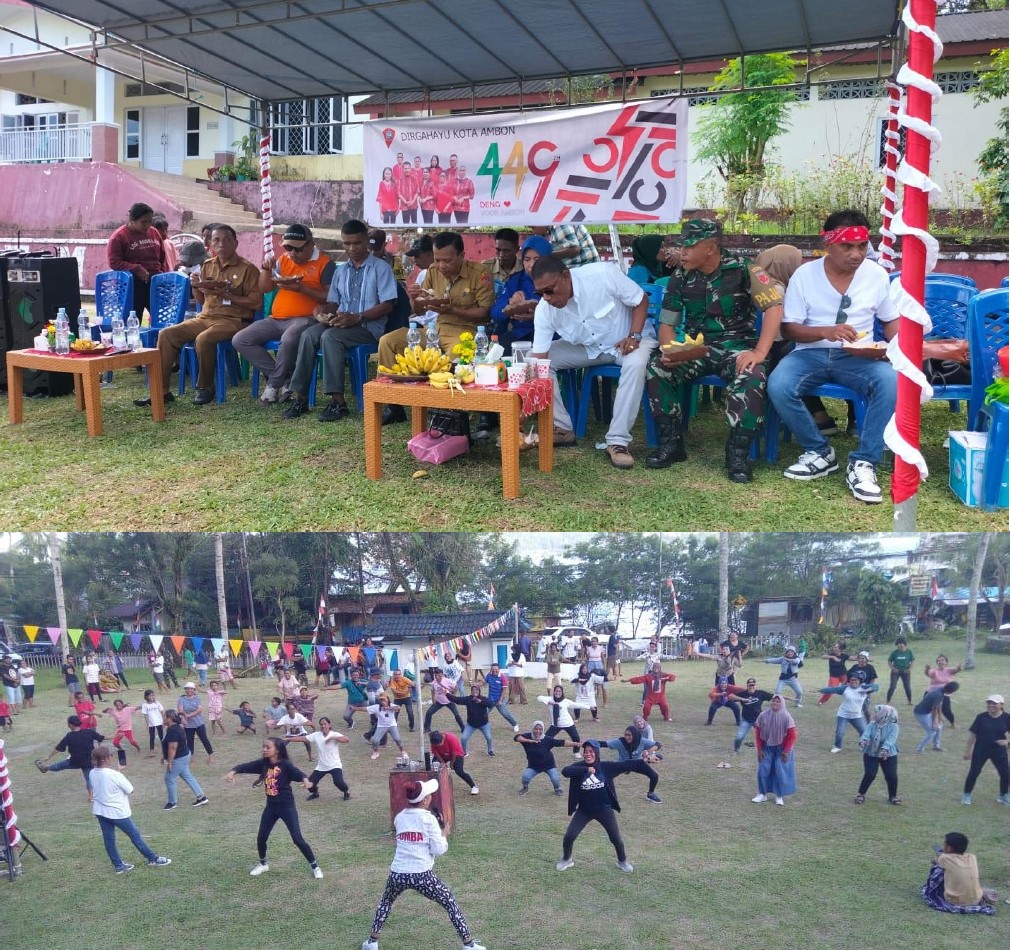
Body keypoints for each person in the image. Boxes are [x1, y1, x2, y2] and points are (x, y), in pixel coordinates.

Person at [768, 208, 899, 504]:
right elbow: (789, 330)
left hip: (859, 356)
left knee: (891, 382)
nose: (856, 254)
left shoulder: (876, 275)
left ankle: (864, 462)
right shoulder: (805, 275)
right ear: (828, 244)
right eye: (847, 246)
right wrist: (827, 331)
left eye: (862, 246)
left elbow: (890, 319)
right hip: (810, 353)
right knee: (779, 384)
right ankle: (818, 451)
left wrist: (899, 344)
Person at [644, 218, 784, 482]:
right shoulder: (680, 275)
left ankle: (737, 454)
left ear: (710, 247)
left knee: (752, 374)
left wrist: (760, 353)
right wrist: (668, 351)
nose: (681, 252)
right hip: (697, 348)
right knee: (656, 367)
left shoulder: (745, 269)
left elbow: (774, 308)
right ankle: (671, 444)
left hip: (737, 347)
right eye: (681, 246)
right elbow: (667, 322)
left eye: (689, 246)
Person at [529, 255, 657, 468]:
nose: (546, 298)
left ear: (566, 276)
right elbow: (540, 359)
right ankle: (562, 428)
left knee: (636, 364)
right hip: (588, 349)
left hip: (627, 341)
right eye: (540, 293)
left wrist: (634, 336)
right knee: (539, 364)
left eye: (550, 290)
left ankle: (617, 442)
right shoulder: (545, 310)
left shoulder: (602, 274)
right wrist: (526, 403)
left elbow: (640, 299)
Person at [282, 219, 398, 421]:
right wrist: (321, 311)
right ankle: (299, 398)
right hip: (342, 322)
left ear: (366, 241)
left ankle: (338, 403)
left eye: (357, 243)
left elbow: (388, 305)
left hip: (369, 327)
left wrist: (358, 317)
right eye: (347, 243)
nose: (351, 248)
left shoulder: (381, 268)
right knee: (309, 334)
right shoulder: (341, 270)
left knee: (330, 337)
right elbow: (334, 303)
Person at [136, 224, 261, 407]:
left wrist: (229, 296)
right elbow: (201, 299)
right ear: (209, 244)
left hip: (234, 320)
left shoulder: (248, 269)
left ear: (235, 242)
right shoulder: (208, 266)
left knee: (204, 339)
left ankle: (206, 387)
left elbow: (256, 303)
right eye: (216, 240)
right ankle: (161, 391)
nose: (221, 244)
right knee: (167, 334)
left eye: (227, 239)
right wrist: (196, 286)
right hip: (206, 317)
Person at [378, 231, 494, 425]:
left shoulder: (479, 273)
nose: (441, 266)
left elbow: (485, 313)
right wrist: (413, 297)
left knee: (451, 360)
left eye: (447, 261)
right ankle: (394, 405)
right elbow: (418, 310)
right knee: (388, 342)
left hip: (465, 332)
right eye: (438, 260)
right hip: (435, 329)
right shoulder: (433, 271)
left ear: (461, 255)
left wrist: (453, 310)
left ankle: (448, 414)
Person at [362, 778, 486, 950]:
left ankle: (372, 942)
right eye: (429, 795)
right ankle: (469, 945)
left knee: (385, 902)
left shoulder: (399, 818)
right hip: (421, 874)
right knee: (449, 902)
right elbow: (439, 849)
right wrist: (444, 834)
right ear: (425, 800)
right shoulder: (429, 820)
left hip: (397, 872)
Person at [233, 223, 335, 404]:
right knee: (240, 340)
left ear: (311, 245)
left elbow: (331, 297)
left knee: (288, 340)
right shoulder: (283, 260)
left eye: (298, 249)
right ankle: (285, 380)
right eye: (288, 247)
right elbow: (265, 288)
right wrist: (266, 270)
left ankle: (273, 386)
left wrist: (302, 288)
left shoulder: (325, 264)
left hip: (306, 318)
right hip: (276, 319)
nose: (292, 253)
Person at [226, 738, 323, 878]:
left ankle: (315, 867)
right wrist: (232, 772)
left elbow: (299, 774)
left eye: (267, 747)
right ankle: (263, 864)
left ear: (277, 750)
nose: (264, 749)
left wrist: (306, 781)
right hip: (271, 807)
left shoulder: (285, 765)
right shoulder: (263, 764)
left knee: (297, 838)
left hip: (286, 807)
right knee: (261, 837)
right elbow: (244, 766)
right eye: (263, 746)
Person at [557, 740, 638, 873]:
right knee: (569, 836)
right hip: (584, 810)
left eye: (591, 751)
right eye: (586, 751)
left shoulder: (606, 767)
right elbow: (565, 771)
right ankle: (566, 859)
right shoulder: (579, 767)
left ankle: (622, 861)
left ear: (597, 753)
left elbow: (625, 765)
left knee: (616, 838)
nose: (588, 754)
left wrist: (644, 760)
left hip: (604, 810)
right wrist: (586, 769)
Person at [89, 745, 172, 873]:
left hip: (101, 812)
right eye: (110, 756)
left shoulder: (92, 772)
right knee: (135, 836)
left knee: (109, 839)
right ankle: (153, 858)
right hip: (118, 813)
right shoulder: (114, 774)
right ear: (105, 759)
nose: (112, 757)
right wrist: (119, 773)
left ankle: (118, 866)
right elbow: (130, 790)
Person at [106, 201, 167, 320]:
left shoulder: (154, 232)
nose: (148, 225)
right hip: (133, 284)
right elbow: (114, 262)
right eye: (143, 222)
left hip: (155, 282)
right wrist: (136, 268)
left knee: (161, 320)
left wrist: (161, 275)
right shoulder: (119, 237)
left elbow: (161, 256)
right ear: (132, 220)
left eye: (150, 221)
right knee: (133, 321)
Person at [921, 832, 997, 915]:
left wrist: (939, 858)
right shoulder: (972, 857)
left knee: (938, 869)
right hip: (977, 900)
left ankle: (932, 892)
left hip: (954, 901)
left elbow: (935, 861)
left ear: (949, 848)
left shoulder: (944, 858)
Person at [35, 715, 105, 794]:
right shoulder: (89, 732)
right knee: (88, 779)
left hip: (75, 762)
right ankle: (91, 797)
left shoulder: (69, 736)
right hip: (89, 761)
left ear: (71, 725)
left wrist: (48, 757)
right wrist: (115, 737)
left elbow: (59, 748)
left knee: (60, 765)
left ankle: (46, 768)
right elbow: (101, 738)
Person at [961, 694, 1009, 806]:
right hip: (981, 749)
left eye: (994, 703)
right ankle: (966, 795)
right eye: (989, 702)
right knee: (974, 772)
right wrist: (968, 751)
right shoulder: (981, 717)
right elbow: (972, 735)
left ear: (1001, 705)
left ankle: (1003, 795)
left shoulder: (1007, 717)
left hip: (998, 750)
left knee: (1005, 773)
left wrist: (1007, 742)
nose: (991, 705)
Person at [752, 694, 798, 806]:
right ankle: (762, 794)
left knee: (780, 770)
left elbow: (792, 735)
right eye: (774, 701)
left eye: (778, 702)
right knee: (763, 768)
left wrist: (786, 751)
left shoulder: (786, 716)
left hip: (782, 749)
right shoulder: (763, 715)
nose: (775, 703)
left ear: (782, 703)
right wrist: (759, 750)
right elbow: (758, 733)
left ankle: (779, 796)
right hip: (767, 747)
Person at [600, 725, 664, 804]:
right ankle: (606, 796)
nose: (627, 737)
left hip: (637, 763)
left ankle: (650, 794)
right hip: (623, 764)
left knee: (654, 776)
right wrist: (590, 743)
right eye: (625, 735)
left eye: (629, 735)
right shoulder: (620, 742)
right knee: (607, 777)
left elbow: (658, 744)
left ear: (635, 735)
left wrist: (650, 751)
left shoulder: (641, 741)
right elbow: (604, 744)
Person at [514, 720, 578, 796]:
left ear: (543, 730)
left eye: (540, 729)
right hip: (533, 766)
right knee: (525, 777)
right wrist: (529, 741)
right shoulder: (527, 737)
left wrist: (576, 744)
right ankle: (525, 788)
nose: (538, 731)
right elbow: (516, 737)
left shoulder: (547, 739)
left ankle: (557, 789)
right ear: (533, 729)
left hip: (549, 765)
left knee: (555, 780)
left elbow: (562, 742)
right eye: (536, 728)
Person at [819, 673, 878, 753]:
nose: (853, 682)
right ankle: (837, 746)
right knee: (840, 732)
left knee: (864, 732)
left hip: (857, 716)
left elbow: (876, 687)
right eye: (851, 680)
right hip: (843, 715)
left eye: (855, 680)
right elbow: (833, 689)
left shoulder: (864, 689)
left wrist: (868, 689)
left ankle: (864, 745)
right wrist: (821, 690)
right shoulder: (845, 688)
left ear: (859, 681)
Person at [854, 704, 901, 804]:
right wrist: (863, 741)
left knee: (891, 775)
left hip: (888, 754)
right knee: (870, 774)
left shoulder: (894, 726)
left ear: (884, 715)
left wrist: (885, 750)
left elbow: (891, 740)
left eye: (876, 712)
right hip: (871, 753)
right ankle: (860, 794)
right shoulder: (872, 724)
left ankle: (893, 796)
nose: (874, 714)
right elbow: (865, 735)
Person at [161, 709, 208, 809]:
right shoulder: (173, 727)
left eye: (164, 717)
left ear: (169, 718)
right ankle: (201, 797)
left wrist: (169, 762)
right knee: (187, 776)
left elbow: (173, 748)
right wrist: (164, 756)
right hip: (184, 755)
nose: (163, 718)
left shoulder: (173, 730)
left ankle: (172, 802)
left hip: (179, 758)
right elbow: (168, 745)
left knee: (169, 778)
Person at [306, 717, 352, 801]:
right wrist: (288, 739)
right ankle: (315, 793)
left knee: (338, 782)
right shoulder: (316, 735)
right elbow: (304, 738)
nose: (323, 726)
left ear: (329, 725)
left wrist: (332, 738)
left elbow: (346, 739)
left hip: (334, 765)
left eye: (325, 724)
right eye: (321, 724)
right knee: (309, 783)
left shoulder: (334, 734)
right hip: (321, 766)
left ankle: (346, 792)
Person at [726, 677, 775, 753]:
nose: (751, 687)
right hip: (746, 720)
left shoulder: (760, 693)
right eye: (750, 685)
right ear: (747, 686)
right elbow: (730, 696)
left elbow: (775, 697)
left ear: (755, 686)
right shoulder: (743, 693)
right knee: (739, 737)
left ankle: (766, 750)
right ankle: (736, 750)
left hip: (758, 720)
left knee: (766, 735)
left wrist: (788, 698)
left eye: (753, 685)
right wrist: (742, 699)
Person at [448, 684, 499, 756]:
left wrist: (480, 701)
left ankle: (490, 751)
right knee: (463, 738)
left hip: (484, 724)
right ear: (471, 691)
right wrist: (447, 694)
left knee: (489, 737)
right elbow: (456, 700)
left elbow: (490, 704)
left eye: (477, 690)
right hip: (471, 724)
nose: (475, 691)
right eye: (473, 690)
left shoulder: (483, 699)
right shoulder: (468, 699)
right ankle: (464, 752)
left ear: (479, 691)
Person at [913, 681, 960, 754]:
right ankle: (919, 749)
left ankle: (936, 746)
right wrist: (934, 721)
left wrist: (940, 717)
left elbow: (938, 705)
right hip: (921, 713)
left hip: (927, 712)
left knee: (939, 726)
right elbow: (934, 709)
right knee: (932, 731)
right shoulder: (938, 694)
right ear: (952, 691)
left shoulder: (941, 689)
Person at [539, 685, 588, 753]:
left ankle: (576, 752)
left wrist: (589, 707)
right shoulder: (550, 699)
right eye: (556, 691)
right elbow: (539, 698)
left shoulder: (566, 701)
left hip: (568, 723)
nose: (558, 693)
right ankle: (544, 750)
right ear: (554, 692)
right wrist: (550, 702)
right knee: (546, 739)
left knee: (576, 738)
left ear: (562, 692)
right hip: (556, 724)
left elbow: (577, 705)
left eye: (559, 691)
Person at [429, 730, 479, 796]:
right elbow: (436, 753)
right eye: (436, 745)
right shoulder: (434, 740)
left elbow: (454, 753)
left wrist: (451, 764)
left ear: (442, 739)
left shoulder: (451, 738)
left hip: (456, 755)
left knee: (459, 771)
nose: (438, 746)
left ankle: (474, 786)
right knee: (434, 768)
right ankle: (435, 787)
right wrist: (443, 764)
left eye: (439, 744)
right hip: (442, 755)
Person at [531, 223, 600, 268]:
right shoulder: (552, 230)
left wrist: (548, 256)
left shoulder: (560, 225)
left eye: (533, 228)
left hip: (586, 268)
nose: (533, 232)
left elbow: (575, 249)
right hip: (580, 267)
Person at [177, 681, 214, 762]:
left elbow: (199, 710)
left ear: (194, 690)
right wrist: (183, 717)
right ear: (185, 690)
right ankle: (191, 756)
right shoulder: (181, 699)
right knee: (189, 741)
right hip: (188, 724)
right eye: (187, 689)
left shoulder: (197, 698)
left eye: (191, 689)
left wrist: (188, 715)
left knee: (204, 739)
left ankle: (210, 755)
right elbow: (180, 709)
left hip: (198, 723)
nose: (189, 690)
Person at [925, 655, 961, 728]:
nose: (940, 662)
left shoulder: (949, 670)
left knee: (946, 710)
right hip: (932, 692)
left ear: (946, 662)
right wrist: (927, 669)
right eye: (938, 660)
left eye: (942, 660)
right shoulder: (934, 671)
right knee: (929, 708)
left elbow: (956, 670)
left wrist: (959, 668)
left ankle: (952, 723)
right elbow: (928, 673)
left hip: (945, 692)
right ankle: (933, 722)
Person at [366, 695, 406, 761]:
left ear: (388, 700)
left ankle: (403, 751)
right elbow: (366, 709)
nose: (383, 702)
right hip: (381, 726)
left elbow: (398, 708)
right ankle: (376, 752)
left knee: (397, 739)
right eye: (381, 700)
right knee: (375, 740)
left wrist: (388, 708)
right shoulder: (376, 707)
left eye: (384, 700)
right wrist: (354, 708)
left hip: (392, 725)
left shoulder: (391, 705)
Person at [485, 227, 523, 297]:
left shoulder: (525, 268)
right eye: (498, 250)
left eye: (506, 251)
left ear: (517, 249)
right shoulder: (485, 268)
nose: (501, 255)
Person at [103, 699, 141, 767]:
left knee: (132, 741)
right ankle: (121, 749)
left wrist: (146, 704)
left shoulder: (128, 709)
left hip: (127, 728)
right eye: (116, 705)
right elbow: (103, 711)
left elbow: (138, 707)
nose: (118, 706)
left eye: (120, 704)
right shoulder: (113, 710)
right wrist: (107, 708)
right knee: (115, 742)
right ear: (115, 705)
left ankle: (138, 747)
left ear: (122, 704)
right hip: (120, 729)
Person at [482, 663, 519, 730]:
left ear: (499, 669)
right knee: (484, 713)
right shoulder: (489, 675)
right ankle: (482, 725)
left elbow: (504, 690)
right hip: (490, 700)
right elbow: (483, 683)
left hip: (499, 699)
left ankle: (515, 724)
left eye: (496, 669)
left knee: (505, 714)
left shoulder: (502, 677)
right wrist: (476, 685)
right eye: (492, 669)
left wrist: (500, 700)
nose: (494, 671)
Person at [887, 637, 916, 704]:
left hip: (905, 672)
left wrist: (909, 669)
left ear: (905, 644)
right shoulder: (895, 652)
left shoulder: (909, 652)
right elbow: (889, 661)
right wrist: (893, 669)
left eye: (901, 644)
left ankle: (909, 701)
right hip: (895, 672)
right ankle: (887, 701)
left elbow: (913, 660)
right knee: (892, 687)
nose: (899, 645)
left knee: (907, 687)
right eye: (898, 644)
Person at [140, 689, 165, 756]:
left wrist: (163, 721)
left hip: (159, 722)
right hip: (151, 723)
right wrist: (147, 724)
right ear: (146, 697)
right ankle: (151, 750)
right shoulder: (145, 705)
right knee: (152, 736)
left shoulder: (157, 703)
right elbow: (145, 715)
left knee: (161, 736)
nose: (152, 697)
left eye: (152, 695)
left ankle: (165, 747)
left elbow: (162, 712)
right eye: (150, 696)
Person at [397, 159, 420, 225]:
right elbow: (398, 193)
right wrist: (405, 202)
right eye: (405, 168)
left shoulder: (414, 178)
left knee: (414, 223)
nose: (407, 170)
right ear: (403, 169)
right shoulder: (400, 179)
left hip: (413, 205)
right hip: (404, 206)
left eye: (408, 168)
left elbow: (417, 191)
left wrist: (412, 201)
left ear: (410, 168)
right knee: (405, 224)